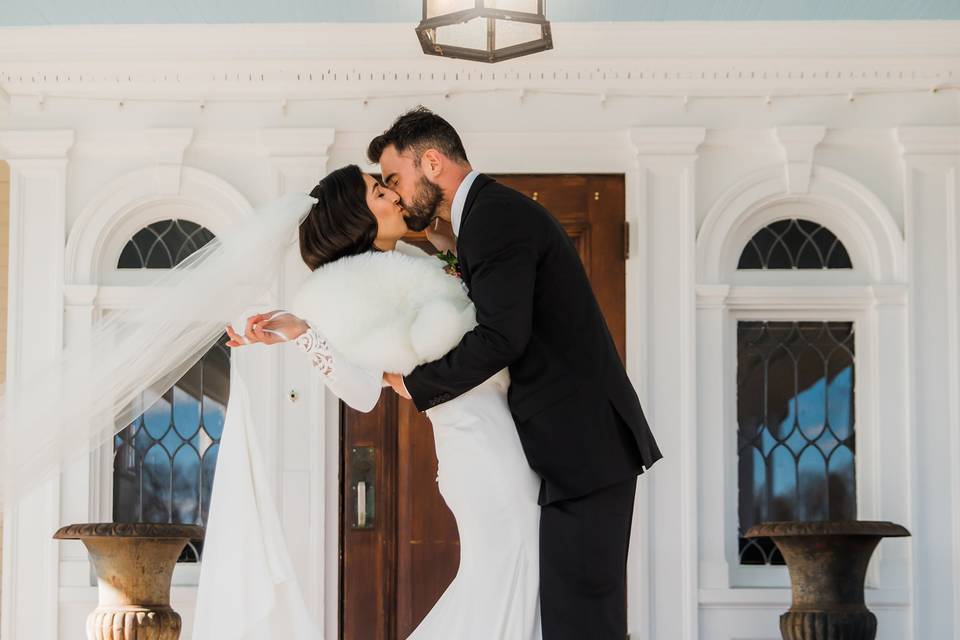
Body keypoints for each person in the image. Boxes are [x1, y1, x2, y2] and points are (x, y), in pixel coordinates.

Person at [369, 107, 663, 640]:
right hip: (579, 446)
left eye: (396, 179)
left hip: (583, 445)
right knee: (573, 616)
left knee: (582, 622)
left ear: (430, 162)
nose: (396, 193)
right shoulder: (487, 215)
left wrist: (414, 386)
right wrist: (442, 247)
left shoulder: (493, 218)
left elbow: (503, 338)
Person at [228, 164, 543, 639]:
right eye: (379, 191)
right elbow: (361, 393)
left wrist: (442, 241)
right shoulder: (342, 293)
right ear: (357, 214)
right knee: (510, 569)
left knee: (519, 569)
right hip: (476, 446)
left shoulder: (418, 263)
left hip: (503, 432)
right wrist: (305, 336)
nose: (395, 196)